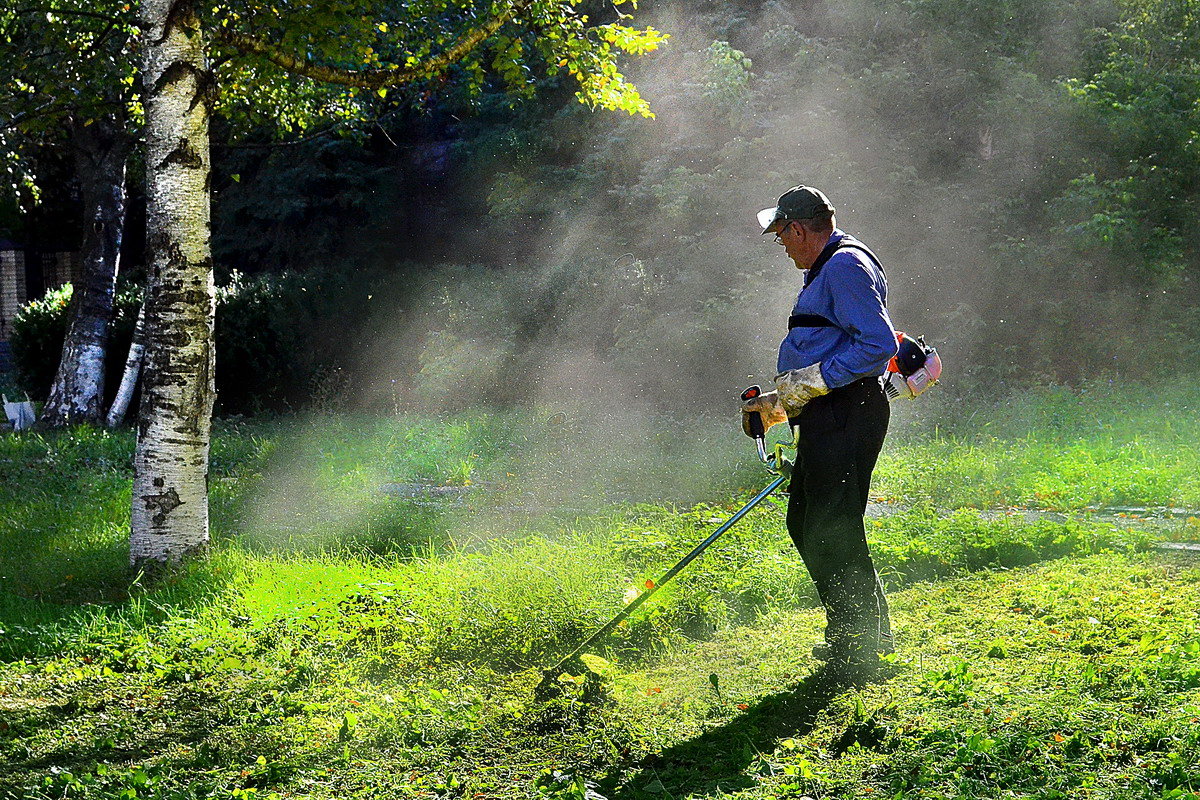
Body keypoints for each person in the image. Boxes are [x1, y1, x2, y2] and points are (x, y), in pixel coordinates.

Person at [741, 185, 898, 681]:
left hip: (847, 411)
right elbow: (826, 346)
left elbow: (876, 344)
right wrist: (778, 403)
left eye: (782, 235)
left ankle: (862, 644)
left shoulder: (845, 266)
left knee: (832, 526)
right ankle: (855, 630)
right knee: (806, 520)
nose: (781, 244)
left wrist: (812, 383)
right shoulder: (825, 267)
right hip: (830, 412)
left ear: (800, 229)